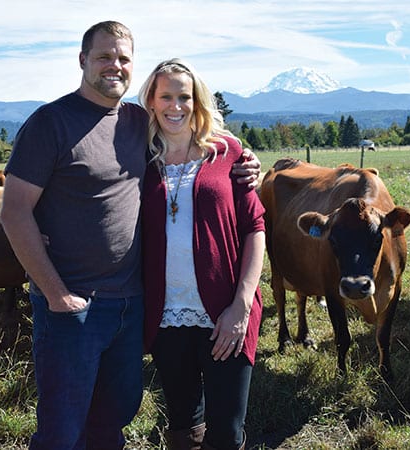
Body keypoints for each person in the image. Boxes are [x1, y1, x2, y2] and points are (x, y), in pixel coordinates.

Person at [0, 22, 261, 450]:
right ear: (83, 60)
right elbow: (14, 211)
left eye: (123, 58)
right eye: (104, 56)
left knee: (115, 418)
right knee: (62, 429)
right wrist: (55, 293)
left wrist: (250, 164)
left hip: (132, 304)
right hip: (75, 304)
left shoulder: (141, 124)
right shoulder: (52, 123)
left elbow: (242, 206)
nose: (114, 66)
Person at [140, 58, 266, 450]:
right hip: (164, 315)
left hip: (224, 312)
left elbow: (254, 228)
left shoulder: (227, 152)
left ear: (198, 102)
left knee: (226, 432)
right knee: (181, 423)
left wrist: (241, 306)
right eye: (166, 97)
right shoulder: (137, 158)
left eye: (184, 97)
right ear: (151, 101)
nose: (175, 106)